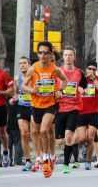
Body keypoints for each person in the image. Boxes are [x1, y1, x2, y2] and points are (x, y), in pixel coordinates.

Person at [22, 42, 67, 178]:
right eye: (40, 53)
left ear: (50, 54)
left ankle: (46, 159)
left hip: (50, 104)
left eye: (45, 53)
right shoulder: (33, 69)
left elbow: (65, 81)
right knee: (35, 132)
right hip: (36, 104)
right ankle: (44, 156)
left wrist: (59, 90)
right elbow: (24, 85)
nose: (43, 55)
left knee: (44, 130)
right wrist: (32, 89)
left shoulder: (55, 69)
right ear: (37, 54)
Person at [55, 47, 86, 174]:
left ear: (74, 57)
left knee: (68, 136)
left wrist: (81, 90)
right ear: (63, 57)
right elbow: (52, 86)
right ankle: (62, 153)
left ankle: (66, 164)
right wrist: (57, 92)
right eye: (66, 55)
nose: (68, 57)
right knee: (59, 141)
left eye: (70, 55)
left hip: (74, 107)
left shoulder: (79, 72)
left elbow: (84, 86)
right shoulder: (57, 71)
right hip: (60, 108)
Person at [77, 61, 98, 170]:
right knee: (81, 138)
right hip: (81, 112)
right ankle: (82, 148)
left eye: (94, 69)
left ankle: (88, 161)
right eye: (90, 68)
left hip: (93, 112)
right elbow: (75, 88)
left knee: (90, 137)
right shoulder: (80, 78)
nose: (91, 71)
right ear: (86, 69)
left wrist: (94, 79)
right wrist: (80, 89)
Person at [12, 57, 36, 171]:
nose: (22, 65)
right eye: (20, 63)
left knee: (35, 133)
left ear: (29, 64)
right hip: (21, 107)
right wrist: (13, 98)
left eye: (24, 63)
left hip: (34, 106)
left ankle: (40, 157)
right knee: (24, 133)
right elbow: (15, 93)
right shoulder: (17, 78)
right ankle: (27, 160)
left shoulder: (34, 75)